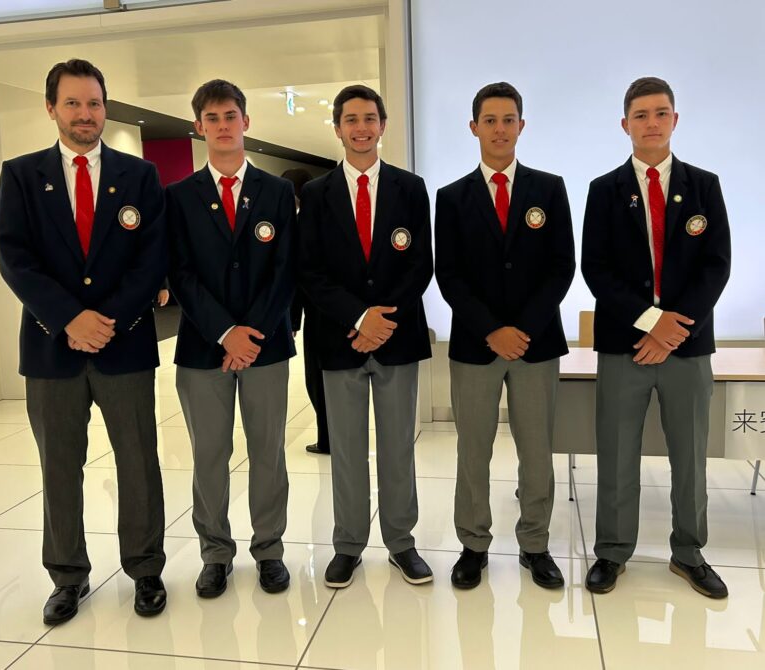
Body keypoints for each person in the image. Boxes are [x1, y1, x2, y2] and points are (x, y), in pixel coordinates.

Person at [0, 58, 167, 624]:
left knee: (138, 461)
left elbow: (149, 263)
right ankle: (68, 576)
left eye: (94, 103)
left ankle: (145, 570)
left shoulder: (139, 176)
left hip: (125, 345)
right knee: (58, 467)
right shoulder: (21, 175)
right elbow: (16, 260)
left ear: (104, 107)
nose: (85, 114)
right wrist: (69, 318)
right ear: (51, 108)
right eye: (72, 103)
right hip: (51, 351)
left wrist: (106, 319)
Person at [581, 76, 731, 598]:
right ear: (625, 124)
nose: (651, 123)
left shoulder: (704, 184)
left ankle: (689, 552)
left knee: (689, 454)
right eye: (640, 114)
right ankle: (612, 551)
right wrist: (650, 321)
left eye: (660, 113)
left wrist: (672, 328)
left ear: (674, 120)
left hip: (687, 346)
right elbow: (596, 270)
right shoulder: (604, 190)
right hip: (626, 345)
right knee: (615, 452)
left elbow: (716, 266)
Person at [435, 82, 575, 590]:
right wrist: (492, 329)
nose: (499, 128)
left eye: (508, 119)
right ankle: (473, 545)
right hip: (476, 345)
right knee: (473, 448)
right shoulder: (451, 198)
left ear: (522, 126)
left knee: (536, 449)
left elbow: (562, 267)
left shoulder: (549, 188)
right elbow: (448, 274)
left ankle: (534, 545)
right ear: (474, 127)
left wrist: (524, 328)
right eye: (489, 120)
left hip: (536, 344)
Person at [299, 84, 434, 588]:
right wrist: (359, 319)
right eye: (350, 119)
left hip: (396, 338)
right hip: (339, 341)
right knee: (348, 448)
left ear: (383, 125)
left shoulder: (410, 188)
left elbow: (420, 263)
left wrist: (381, 321)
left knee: (398, 445)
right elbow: (309, 271)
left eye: (370, 118)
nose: (361, 128)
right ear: (337, 128)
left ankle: (401, 542)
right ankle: (348, 544)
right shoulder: (315, 195)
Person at [166, 79, 295, 598]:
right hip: (203, 347)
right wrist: (225, 332)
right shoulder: (178, 197)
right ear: (199, 127)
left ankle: (270, 551)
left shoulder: (278, 192)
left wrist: (250, 335)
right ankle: (215, 553)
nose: (223, 126)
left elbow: (286, 270)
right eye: (212, 118)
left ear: (246, 122)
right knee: (209, 454)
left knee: (269, 452)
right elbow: (179, 272)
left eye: (230, 116)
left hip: (266, 347)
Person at [284, 167, 331, 456]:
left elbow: (299, 278)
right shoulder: (326, 217)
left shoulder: (300, 223)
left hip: (316, 315)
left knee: (317, 379)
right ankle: (332, 436)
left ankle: (327, 439)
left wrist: (292, 319)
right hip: (332, 313)